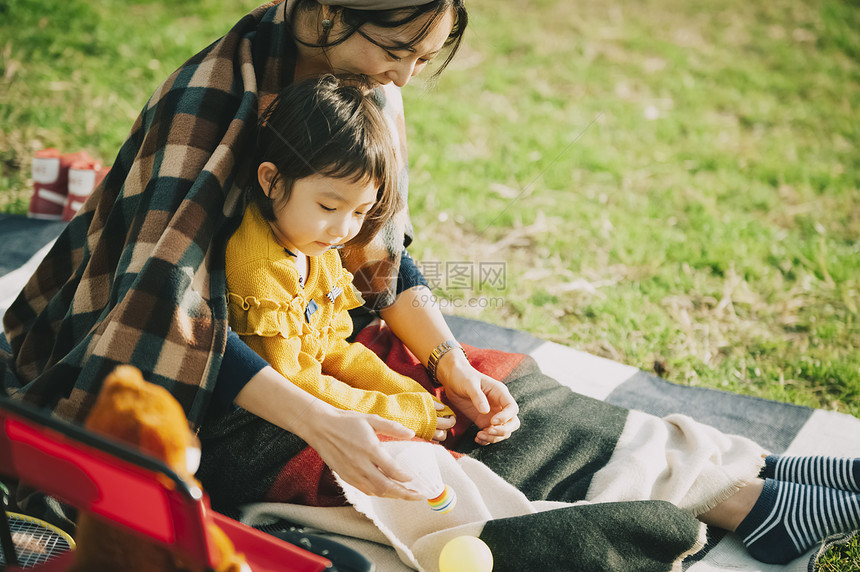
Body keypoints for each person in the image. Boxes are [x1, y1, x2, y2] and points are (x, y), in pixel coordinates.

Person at [2, 0, 857, 567]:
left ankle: (760, 483)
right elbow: (164, 318)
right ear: (329, 12)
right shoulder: (210, 101)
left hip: (311, 337)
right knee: (397, 457)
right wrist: (328, 421)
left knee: (501, 387)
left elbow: (379, 254)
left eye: (429, 53)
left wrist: (447, 361)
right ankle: (746, 504)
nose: (408, 75)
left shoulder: (366, 84)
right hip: (169, 376)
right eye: (399, 48)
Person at [222, 74, 455, 442]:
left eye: (361, 212)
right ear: (271, 180)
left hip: (310, 390)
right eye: (329, 206)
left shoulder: (315, 242)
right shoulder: (259, 268)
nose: (344, 230)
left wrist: (410, 395)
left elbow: (334, 351)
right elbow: (295, 379)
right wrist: (396, 414)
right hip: (264, 419)